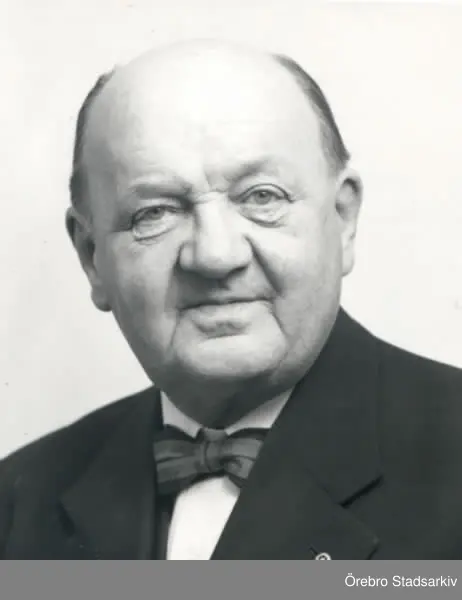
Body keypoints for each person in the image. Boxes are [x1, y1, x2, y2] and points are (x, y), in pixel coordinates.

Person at [1, 39, 461, 560]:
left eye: (262, 197)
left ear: (344, 220)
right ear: (92, 257)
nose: (215, 256)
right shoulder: (17, 502)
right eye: (155, 213)